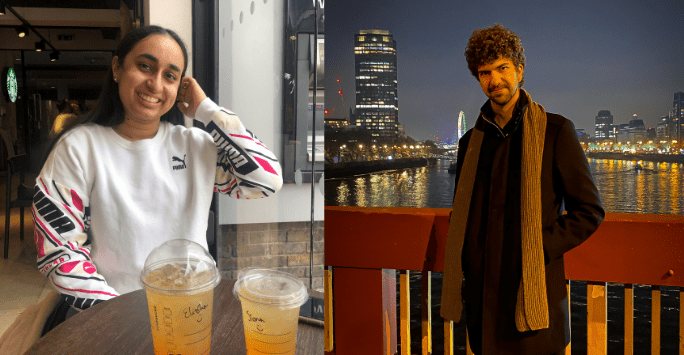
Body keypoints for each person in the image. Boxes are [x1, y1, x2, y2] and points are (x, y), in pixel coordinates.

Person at [33, 25, 283, 328]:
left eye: (170, 76)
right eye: (144, 66)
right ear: (117, 68)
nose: (154, 84)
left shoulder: (196, 146)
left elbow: (266, 180)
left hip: (193, 312)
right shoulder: (78, 147)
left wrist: (206, 110)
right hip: (112, 315)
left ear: (180, 87)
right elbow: (60, 253)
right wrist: (123, 317)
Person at [440, 24, 605, 355]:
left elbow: (589, 211)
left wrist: (537, 249)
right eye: (485, 72)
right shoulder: (470, 143)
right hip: (483, 299)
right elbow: (465, 212)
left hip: (533, 293)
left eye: (502, 68)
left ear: (520, 69)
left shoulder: (555, 131)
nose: (494, 80)